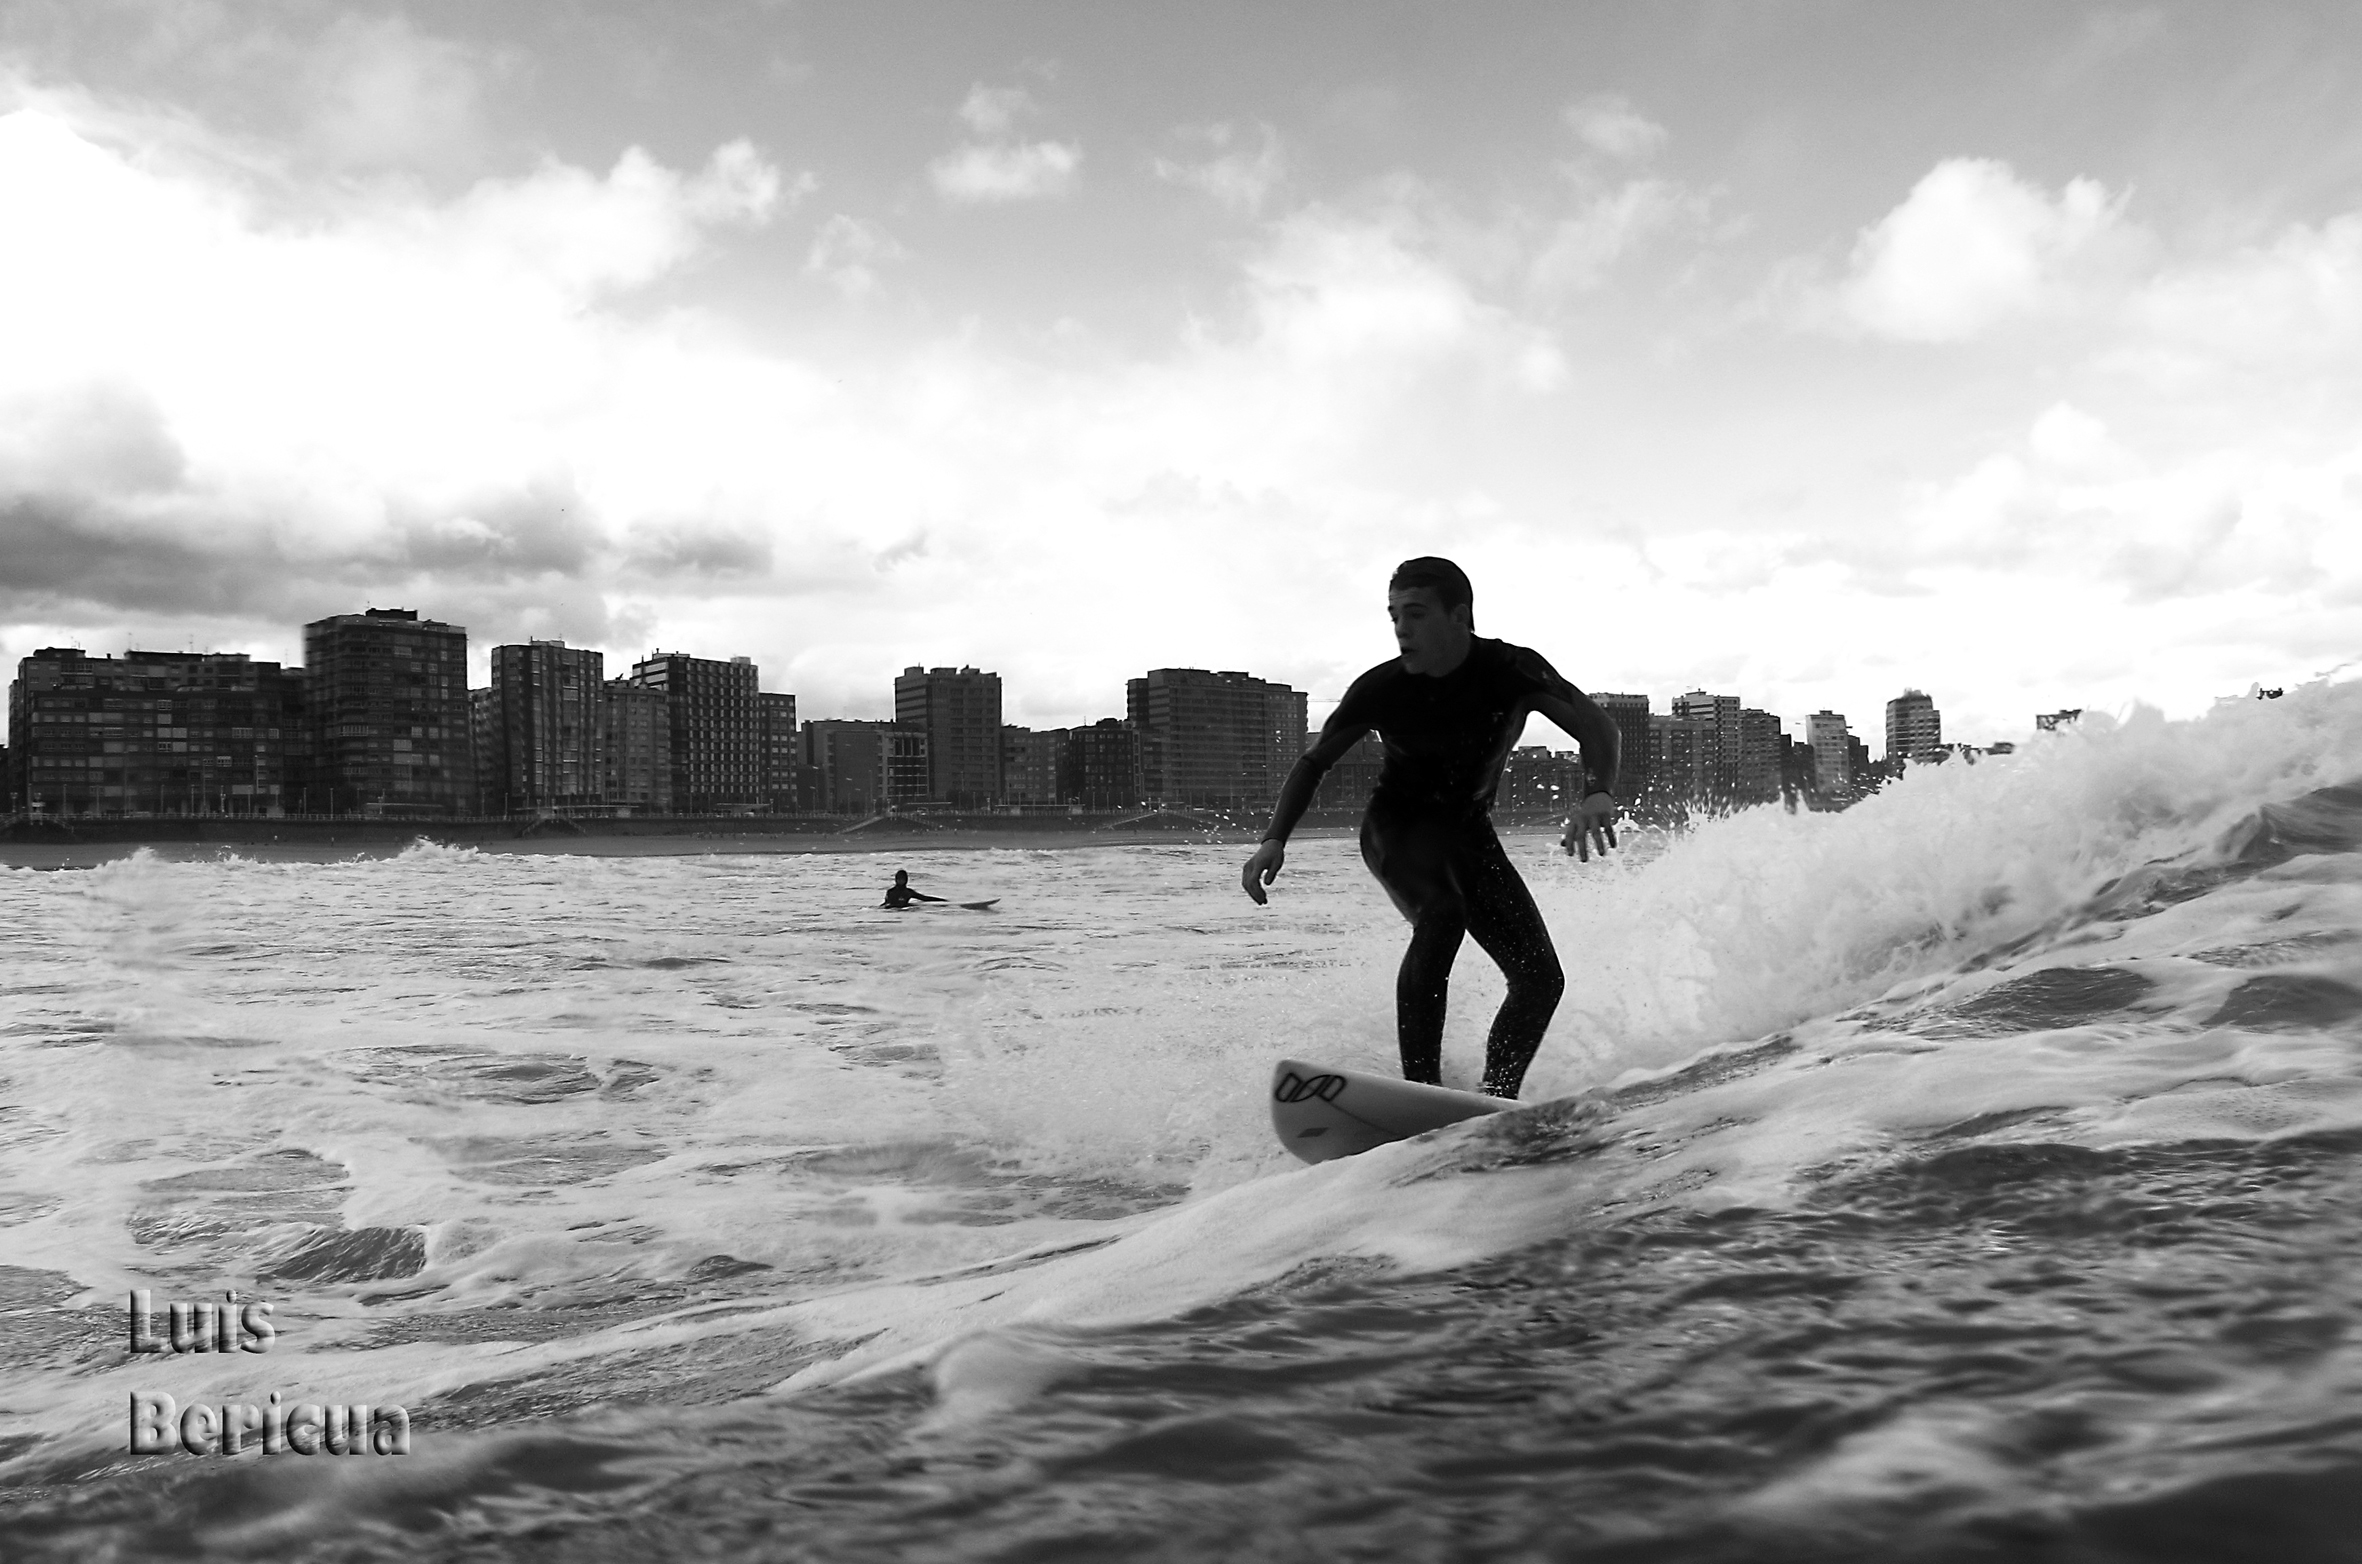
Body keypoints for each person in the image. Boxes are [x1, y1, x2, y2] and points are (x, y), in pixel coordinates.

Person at [1240, 557, 1620, 1099]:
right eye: (1394, 615)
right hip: (1397, 828)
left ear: (1458, 615)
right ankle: (1421, 1092)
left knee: (1540, 979)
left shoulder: (1512, 671)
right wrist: (1273, 839)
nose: (1400, 629)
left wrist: (1597, 791)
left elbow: (1595, 724)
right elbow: (1313, 762)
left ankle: (1494, 1099)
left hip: (1468, 833)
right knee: (1443, 915)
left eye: (1415, 614)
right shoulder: (1382, 688)